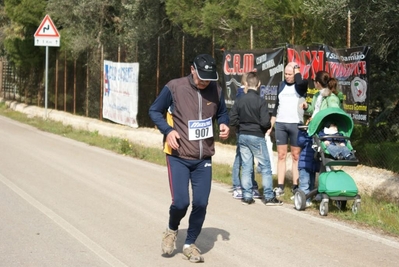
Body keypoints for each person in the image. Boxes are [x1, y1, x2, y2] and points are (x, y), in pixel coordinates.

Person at [148, 54, 230, 263]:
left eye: (208, 79)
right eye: (201, 77)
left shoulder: (216, 89)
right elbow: (154, 110)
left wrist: (224, 123)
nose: (205, 82)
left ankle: (189, 243)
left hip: (204, 158)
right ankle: (171, 229)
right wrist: (167, 131)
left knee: (201, 203)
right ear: (192, 69)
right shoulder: (174, 87)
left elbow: (222, 112)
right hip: (178, 155)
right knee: (181, 203)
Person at [229, 72, 282, 206]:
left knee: (246, 166)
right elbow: (265, 122)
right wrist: (263, 130)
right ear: (259, 85)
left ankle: (247, 196)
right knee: (265, 166)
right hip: (257, 136)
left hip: (243, 136)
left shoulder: (240, 100)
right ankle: (269, 197)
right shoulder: (260, 101)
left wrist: (239, 128)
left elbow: (232, 119)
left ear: (246, 84)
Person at [267, 62, 308, 197]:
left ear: (295, 73)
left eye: (290, 74)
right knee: (281, 155)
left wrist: (296, 72)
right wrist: (271, 124)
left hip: (296, 124)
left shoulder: (300, 85)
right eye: (285, 74)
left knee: (296, 156)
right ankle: (280, 186)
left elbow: (301, 83)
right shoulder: (281, 85)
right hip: (281, 124)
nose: (287, 76)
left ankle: (296, 186)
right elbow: (275, 107)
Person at [231, 73, 261, 199]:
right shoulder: (240, 93)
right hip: (242, 130)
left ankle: (251, 185)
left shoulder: (254, 94)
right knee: (240, 157)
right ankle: (237, 185)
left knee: (250, 158)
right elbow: (236, 113)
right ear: (246, 83)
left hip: (251, 131)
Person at [297, 128, 319, 207]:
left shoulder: (319, 133)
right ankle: (303, 201)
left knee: (311, 184)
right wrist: (305, 131)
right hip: (304, 164)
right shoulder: (305, 134)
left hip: (313, 164)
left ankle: (309, 199)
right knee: (304, 184)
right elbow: (300, 142)